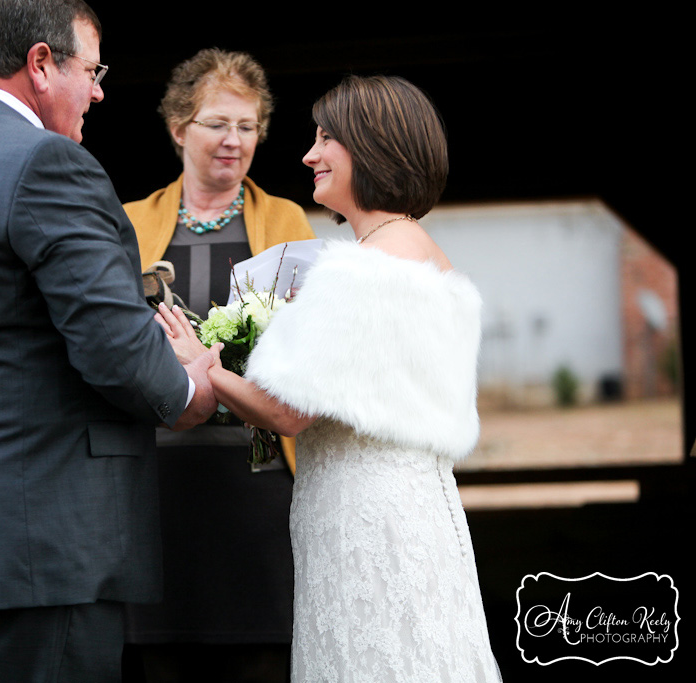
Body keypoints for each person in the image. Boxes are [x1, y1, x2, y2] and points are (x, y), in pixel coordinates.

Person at [0, 1, 219, 681]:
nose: (100, 89)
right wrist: (187, 387)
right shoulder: (47, 164)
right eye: (92, 69)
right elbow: (113, 346)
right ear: (41, 64)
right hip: (40, 543)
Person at [155, 74, 502, 682]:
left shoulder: (363, 268)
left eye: (325, 139)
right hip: (415, 509)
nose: (310, 154)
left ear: (371, 147)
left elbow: (290, 413)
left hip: (364, 521)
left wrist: (202, 364)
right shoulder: (422, 253)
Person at [121, 49, 315, 682]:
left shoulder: (286, 222)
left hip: (256, 489)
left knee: (260, 658)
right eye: (218, 123)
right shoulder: (125, 225)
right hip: (153, 490)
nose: (234, 141)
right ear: (179, 127)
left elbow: (306, 354)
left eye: (248, 126)